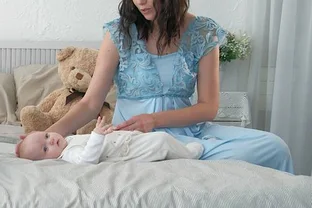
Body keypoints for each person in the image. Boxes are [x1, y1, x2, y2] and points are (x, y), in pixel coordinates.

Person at [44, 0, 294, 173]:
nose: (140, 2)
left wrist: (154, 119)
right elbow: (90, 103)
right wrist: (47, 135)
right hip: (132, 141)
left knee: (275, 147)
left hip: (187, 135)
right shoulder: (118, 33)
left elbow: (209, 107)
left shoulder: (204, 32)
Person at [16, 116, 204, 164]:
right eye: (45, 149)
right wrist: (97, 135)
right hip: (127, 153)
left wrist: (107, 132)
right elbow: (87, 159)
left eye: (47, 136)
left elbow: (94, 142)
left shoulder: (68, 140)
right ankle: (189, 154)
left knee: (157, 139)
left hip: (124, 142)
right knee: (161, 141)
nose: (51, 141)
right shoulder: (68, 154)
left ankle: (179, 150)